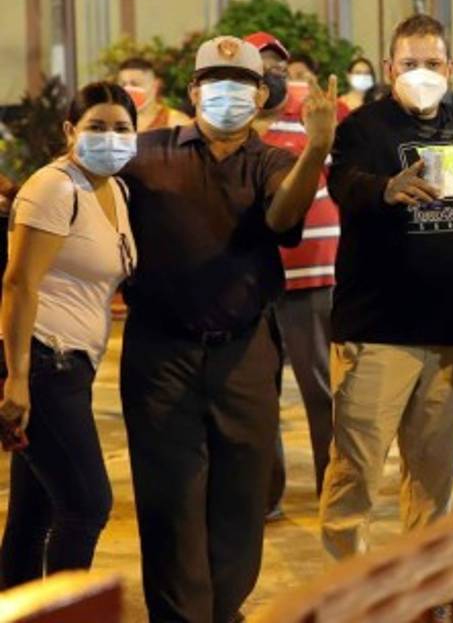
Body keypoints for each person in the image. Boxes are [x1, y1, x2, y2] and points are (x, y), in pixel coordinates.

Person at [119, 35, 337, 622]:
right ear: (193, 91)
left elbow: (282, 215)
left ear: (261, 96)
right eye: (215, 81)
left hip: (244, 352)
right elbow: (82, 187)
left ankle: (223, 609)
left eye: (241, 84)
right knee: (171, 500)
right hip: (161, 355)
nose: (227, 94)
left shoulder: (272, 162)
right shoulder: (145, 155)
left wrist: (317, 149)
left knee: (242, 497)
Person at [320, 14, 453, 558]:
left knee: (434, 479)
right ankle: (350, 588)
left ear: (451, 67)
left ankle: (423, 586)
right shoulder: (363, 129)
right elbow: (343, 182)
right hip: (376, 334)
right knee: (356, 476)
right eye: (410, 63)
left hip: (445, 335)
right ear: (390, 68)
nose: (422, 73)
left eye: (432, 63)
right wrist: (385, 190)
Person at [0, 83, 138, 586]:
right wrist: (16, 378)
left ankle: (17, 609)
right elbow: (19, 283)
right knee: (87, 504)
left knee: (33, 511)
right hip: (42, 362)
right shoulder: (55, 188)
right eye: (96, 127)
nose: (110, 138)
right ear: (69, 131)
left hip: (73, 366)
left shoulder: (116, 190)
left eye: (121, 128)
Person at [253, 31, 350, 516]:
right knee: (258, 392)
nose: (272, 74)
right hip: (253, 279)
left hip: (312, 274)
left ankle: (332, 489)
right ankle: (265, 494)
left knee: (321, 388)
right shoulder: (232, 126)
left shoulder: (312, 115)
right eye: (261, 66)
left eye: (278, 65)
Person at [117, 56, 191, 131]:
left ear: (155, 85)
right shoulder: (114, 121)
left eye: (135, 84)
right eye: (123, 84)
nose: (128, 90)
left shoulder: (176, 122)